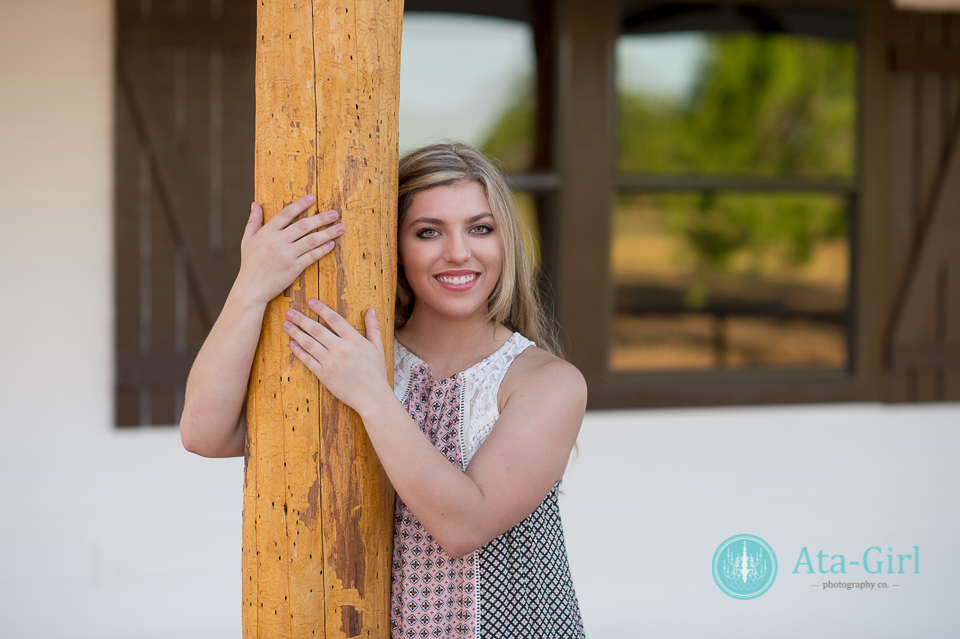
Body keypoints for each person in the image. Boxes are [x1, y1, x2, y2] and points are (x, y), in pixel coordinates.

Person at [180, 142, 586, 638]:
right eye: (428, 232)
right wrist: (251, 288)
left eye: (480, 228)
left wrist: (373, 395)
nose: (459, 251)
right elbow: (205, 433)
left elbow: (464, 526)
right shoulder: (355, 358)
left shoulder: (545, 382)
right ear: (393, 245)